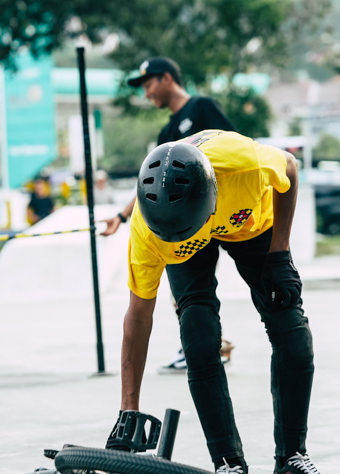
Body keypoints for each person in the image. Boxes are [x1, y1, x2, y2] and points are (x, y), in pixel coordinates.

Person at [106, 130, 340, 474]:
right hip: (186, 239)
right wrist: (128, 410)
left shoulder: (244, 165)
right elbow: (138, 316)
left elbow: (290, 168)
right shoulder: (151, 231)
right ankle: (229, 465)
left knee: (291, 327)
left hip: (249, 222)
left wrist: (280, 252)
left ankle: (291, 460)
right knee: (198, 335)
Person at [100, 57, 237, 372]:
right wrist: (121, 217)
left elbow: (234, 148)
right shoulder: (167, 132)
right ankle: (205, 345)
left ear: (166, 78)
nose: (146, 94)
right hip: (187, 224)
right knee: (185, 291)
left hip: (217, 215)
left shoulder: (202, 107)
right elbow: (154, 185)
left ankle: (209, 345)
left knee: (199, 290)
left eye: (149, 85)